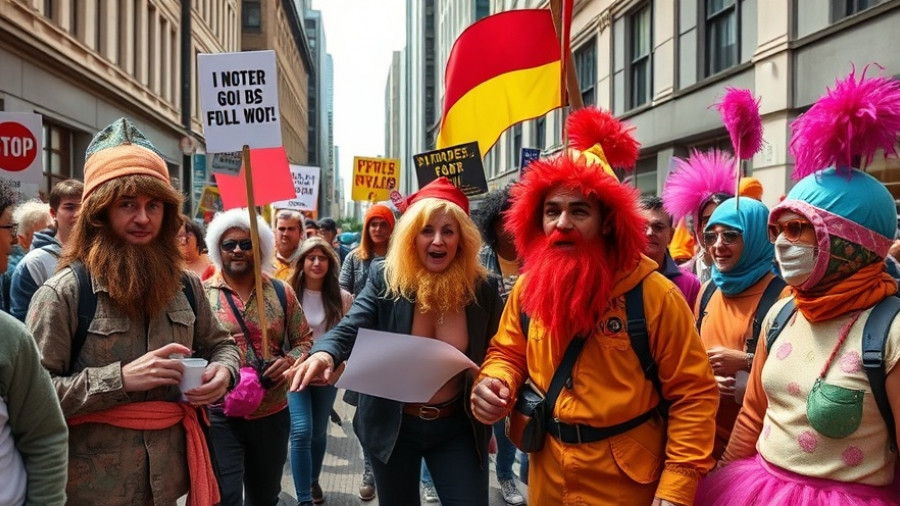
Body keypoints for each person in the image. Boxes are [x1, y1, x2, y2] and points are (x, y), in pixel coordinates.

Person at [470, 107, 718, 506]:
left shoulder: (657, 295)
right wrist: (494, 381)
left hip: (626, 483)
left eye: (578, 210)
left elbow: (694, 395)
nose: (562, 223)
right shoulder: (529, 286)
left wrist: (677, 488)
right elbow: (507, 351)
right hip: (547, 474)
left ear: (607, 222)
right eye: (552, 211)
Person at [697, 67, 900, 506]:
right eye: (779, 230)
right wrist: (721, 472)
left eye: (799, 230)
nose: (783, 243)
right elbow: (752, 417)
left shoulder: (892, 332)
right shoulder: (784, 312)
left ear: (850, 243)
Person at [26, 117, 241, 506]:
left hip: (171, 483)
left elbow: (222, 344)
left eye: (153, 205)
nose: (143, 218)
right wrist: (120, 378)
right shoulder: (63, 293)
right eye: (127, 204)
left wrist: (223, 372)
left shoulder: (186, 285)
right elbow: (31, 396)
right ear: (100, 214)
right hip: (88, 491)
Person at [289, 177, 504, 506]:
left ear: (462, 238)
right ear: (410, 237)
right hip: (393, 426)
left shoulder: (483, 288)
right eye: (426, 230)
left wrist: (496, 384)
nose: (437, 240)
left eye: (448, 230)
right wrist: (324, 354)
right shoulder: (385, 276)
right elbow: (352, 324)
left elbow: (499, 352)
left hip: (458, 428)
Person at [202, 208, 313, 506]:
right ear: (217, 249)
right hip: (219, 413)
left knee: (264, 497)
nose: (237, 250)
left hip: (272, 412)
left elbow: (305, 341)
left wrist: (288, 362)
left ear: (260, 248)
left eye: (246, 244)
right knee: (223, 496)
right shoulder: (201, 295)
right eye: (229, 244)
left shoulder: (281, 292)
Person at [695, 197, 786, 460]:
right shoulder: (708, 290)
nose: (718, 246)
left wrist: (746, 361)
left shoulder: (784, 297)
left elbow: (798, 376)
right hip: (701, 443)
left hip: (753, 454)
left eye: (731, 236)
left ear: (756, 236)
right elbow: (688, 357)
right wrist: (706, 379)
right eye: (711, 236)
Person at [287, 237, 353, 506]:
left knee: (318, 432)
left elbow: (351, 338)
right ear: (301, 261)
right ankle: (304, 499)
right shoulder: (286, 292)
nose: (316, 262)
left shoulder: (343, 298)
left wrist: (341, 368)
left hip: (328, 376)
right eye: (310, 257)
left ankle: (312, 481)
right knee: (301, 430)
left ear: (330, 262)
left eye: (322, 257)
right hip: (295, 373)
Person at [472, 186, 526, 505]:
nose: (510, 224)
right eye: (503, 217)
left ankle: (505, 475)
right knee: (477, 416)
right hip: (484, 352)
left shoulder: (538, 260)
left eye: (515, 216)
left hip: (523, 354)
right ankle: (464, 474)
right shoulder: (479, 261)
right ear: (492, 224)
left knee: (511, 416)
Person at [337, 203, 395, 501]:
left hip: (394, 347)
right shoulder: (354, 259)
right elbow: (341, 294)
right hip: (362, 343)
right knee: (363, 417)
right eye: (372, 224)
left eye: (383, 224)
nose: (377, 230)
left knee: (393, 412)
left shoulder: (402, 260)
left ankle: (389, 468)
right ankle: (371, 467)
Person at [10, 179, 83, 321]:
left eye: (83, 207)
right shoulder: (35, 263)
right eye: (70, 207)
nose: (78, 214)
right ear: (53, 213)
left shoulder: (100, 256)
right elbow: (23, 326)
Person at [661, 150, 737, 284]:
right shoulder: (680, 278)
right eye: (708, 221)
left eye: (723, 220)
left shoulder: (744, 271)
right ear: (698, 228)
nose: (716, 228)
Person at [639, 195, 702, 308]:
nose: (649, 233)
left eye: (658, 227)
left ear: (671, 235)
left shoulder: (689, 283)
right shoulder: (621, 278)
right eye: (642, 227)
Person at [274, 209, 303, 281]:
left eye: (291, 229)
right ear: (274, 232)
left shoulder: (307, 260)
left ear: (301, 233)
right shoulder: (264, 260)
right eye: (281, 229)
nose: (285, 234)